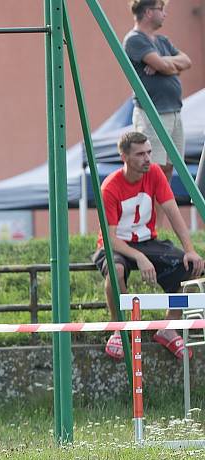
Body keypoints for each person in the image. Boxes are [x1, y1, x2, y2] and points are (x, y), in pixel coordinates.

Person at [92, 131, 204, 360]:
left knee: (188, 267)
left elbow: (172, 211)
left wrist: (189, 249)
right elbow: (110, 238)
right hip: (116, 245)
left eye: (149, 153)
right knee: (117, 271)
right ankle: (119, 328)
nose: (147, 158)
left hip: (147, 241)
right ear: (124, 156)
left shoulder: (154, 173)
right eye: (140, 154)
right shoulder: (109, 187)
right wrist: (140, 258)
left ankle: (169, 327)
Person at [124, 0, 190, 182]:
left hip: (174, 112)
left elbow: (187, 61)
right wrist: (167, 65)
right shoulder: (134, 39)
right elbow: (166, 66)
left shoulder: (162, 41)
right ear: (148, 13)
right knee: (154, 168)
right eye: (161, 9)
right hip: (152, 114)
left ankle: (160, 211)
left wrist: (164, 63)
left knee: (169, 168)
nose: (165, 14)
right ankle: (151, 211)